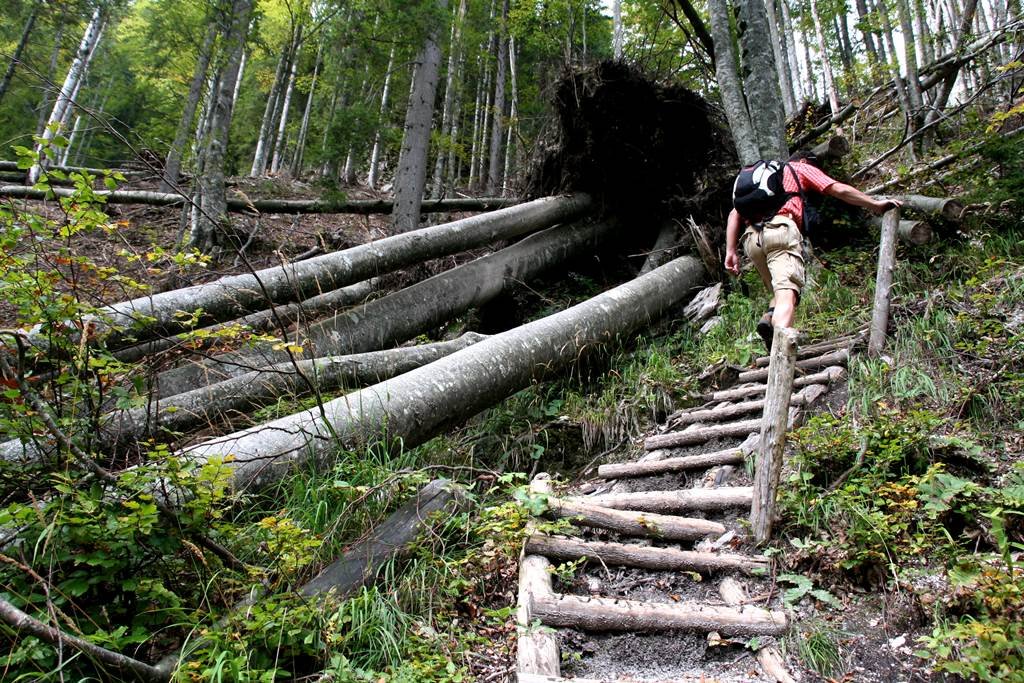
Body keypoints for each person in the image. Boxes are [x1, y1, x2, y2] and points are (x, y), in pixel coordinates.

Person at [723, 155, 900, 350]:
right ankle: (779, 356)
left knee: (777, 290)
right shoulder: (800, 168)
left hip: (751, 240)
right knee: (787, 295)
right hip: (780, 231)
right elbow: (838, 189)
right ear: (805, 161)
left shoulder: (764, 177)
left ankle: (770, 317)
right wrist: (874, 204)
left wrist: (731, 251)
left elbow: (734, 213)